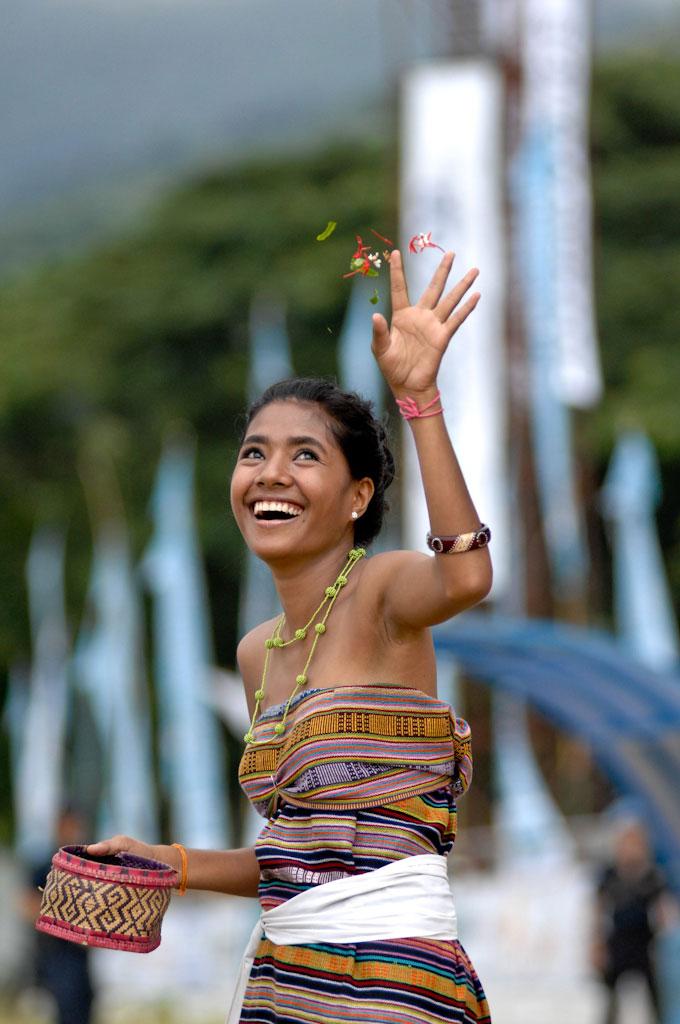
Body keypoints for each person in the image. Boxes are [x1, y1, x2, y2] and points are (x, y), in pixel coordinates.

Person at [88, 249, 492, 1023]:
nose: (271, 473)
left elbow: (467, 577)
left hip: (392, 981)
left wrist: (419, 400)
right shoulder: (258, 651)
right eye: (255, 454)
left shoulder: (384, 591)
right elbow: (295, 858)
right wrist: (170, 861)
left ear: (357, 496)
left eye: (305, 455)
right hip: (288, 979)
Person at [592, 819, 674, 1024]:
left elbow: (663, 909)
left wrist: (667, 936)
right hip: (619, 941)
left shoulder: (651, 875)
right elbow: (599, 909)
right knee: (610, 997)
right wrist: (597, 944)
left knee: (654, 994)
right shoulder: (610, 875)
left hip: (644, 941)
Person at [22, 808, 95, 1024]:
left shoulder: (86, 868)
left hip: (80, 954)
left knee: (84, 1005)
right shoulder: (46, 866)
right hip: (54, 953)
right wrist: (65, 920)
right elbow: (28, 905)